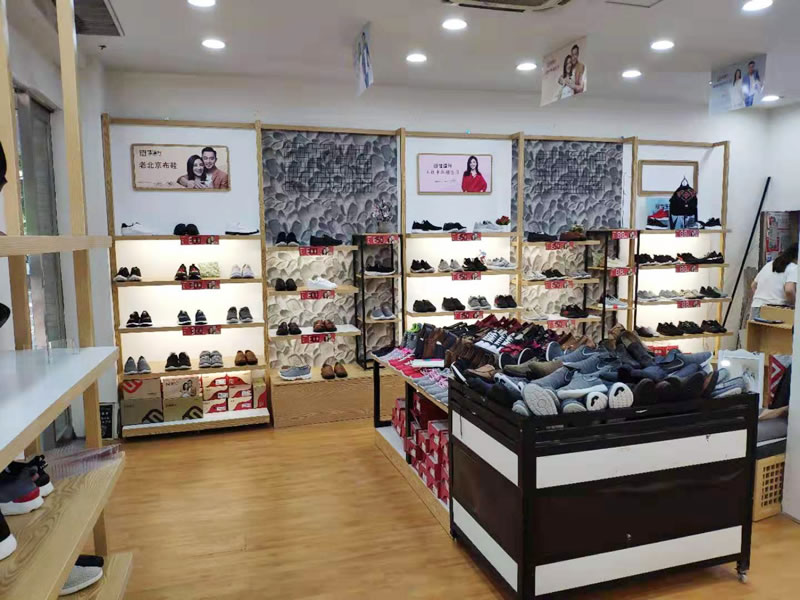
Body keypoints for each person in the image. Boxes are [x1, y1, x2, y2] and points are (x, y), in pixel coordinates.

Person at [751, 243, 798, 319]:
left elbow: (753, 285)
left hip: (756, 307)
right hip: (776, 309)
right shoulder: (794, 268)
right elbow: (789, 290)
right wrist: (795, 305)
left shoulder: (769, 264)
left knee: (757, 327)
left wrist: (762, 299)